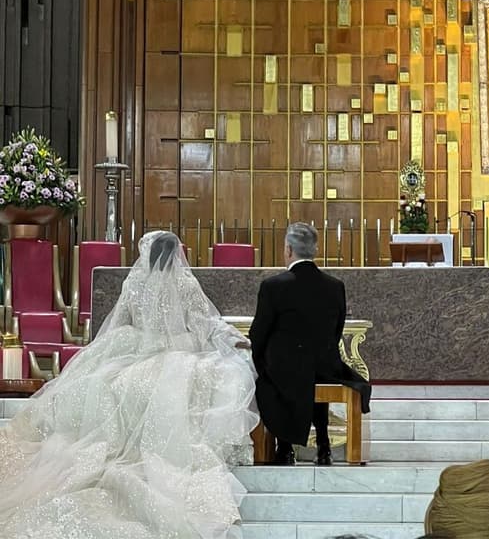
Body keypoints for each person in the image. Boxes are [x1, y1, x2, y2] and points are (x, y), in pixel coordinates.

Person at [0, 230, 258, 538]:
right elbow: (203, 323)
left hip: (136, 351)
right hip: (174, 352)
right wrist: (232, 337)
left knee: (106, 380)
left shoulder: (135, 283)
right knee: (214, 374)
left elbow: (117, 325)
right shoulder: (185, 283)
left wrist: (112, 351)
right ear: (178, 255)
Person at [250, 222, 371, 466]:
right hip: (326, 366)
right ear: (315, 250)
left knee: (270, 373)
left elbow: (258, 334)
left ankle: (284, 446)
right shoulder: (335, 286)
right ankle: (323, 446)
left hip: (285, 371)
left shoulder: (273, 286)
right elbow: (335, 332)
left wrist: (261, 359)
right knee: (312, 367)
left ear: (288, 250)